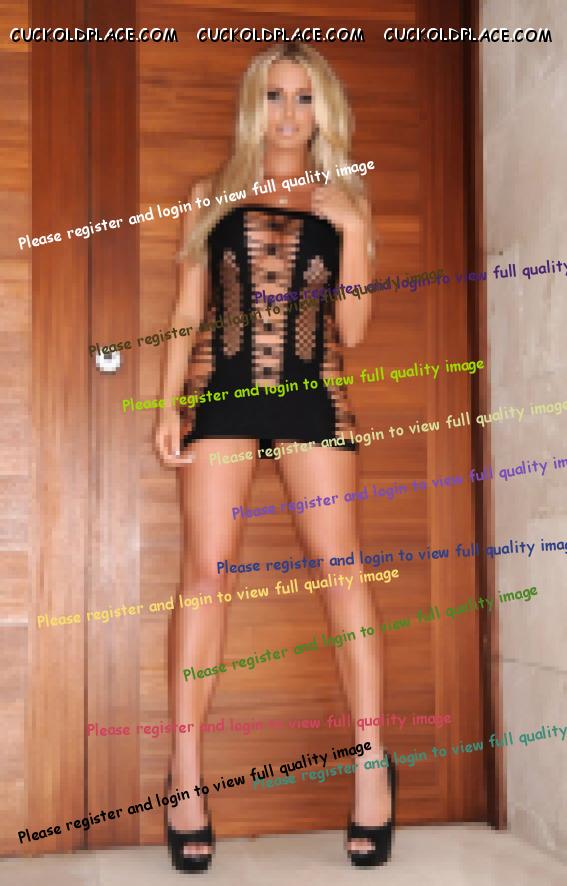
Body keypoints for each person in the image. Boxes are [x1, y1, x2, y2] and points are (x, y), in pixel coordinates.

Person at [155, 43, 395, 874]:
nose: (288, 113)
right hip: (222, 391)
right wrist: (165, 404)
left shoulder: (344, 199)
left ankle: (371, 765)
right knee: (203, 575)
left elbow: (352, 329)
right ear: (251, 106)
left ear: (323, 110)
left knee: (341, 571)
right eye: (273, 96)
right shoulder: (209, 193)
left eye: (302, 97)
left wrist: (353, 230)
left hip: (311, 395)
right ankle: (185, 776)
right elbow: (186, 310)